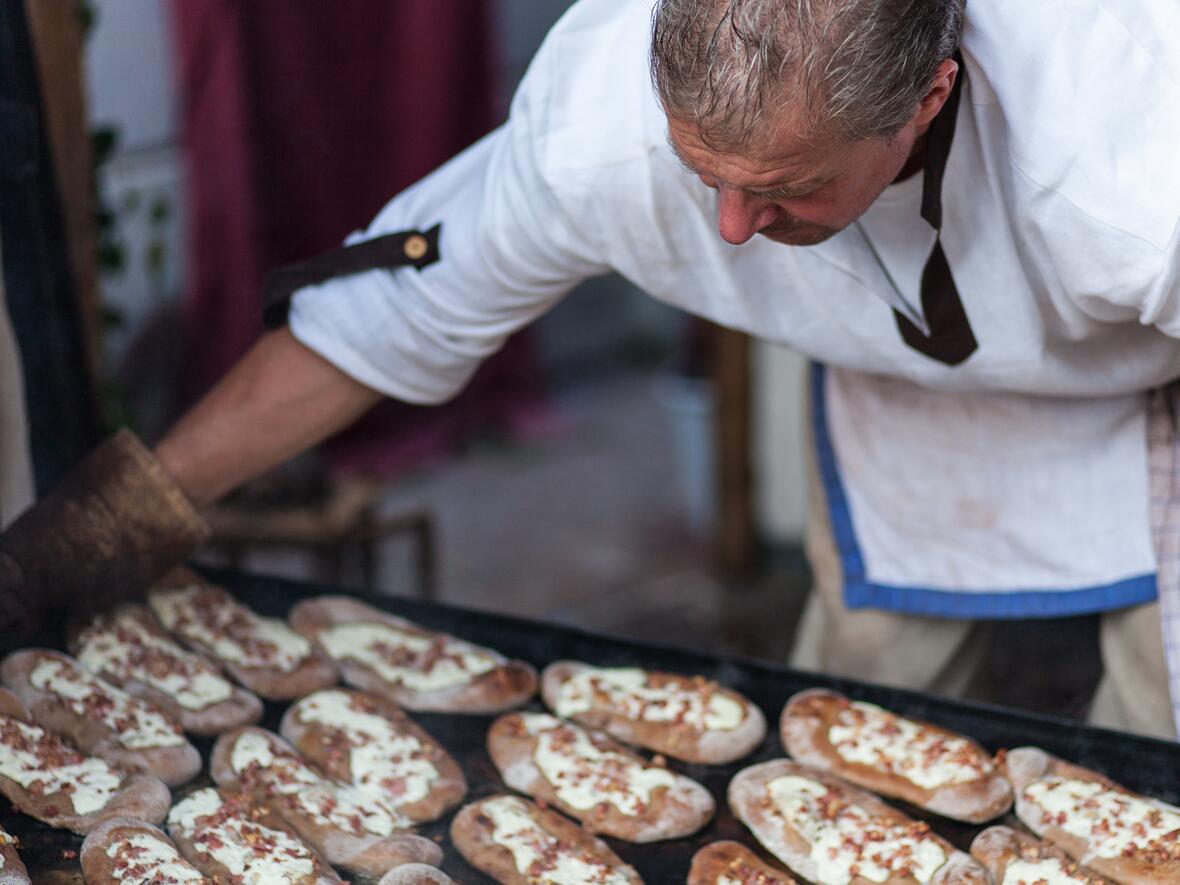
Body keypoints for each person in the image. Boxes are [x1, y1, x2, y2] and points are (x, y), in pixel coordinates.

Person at [3, 0, 1179, 737]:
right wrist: (104, 524)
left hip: (1151, 376)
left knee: (1156, 742)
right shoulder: (601, 121)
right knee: (857, 719)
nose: (727, 227)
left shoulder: (1127, 151)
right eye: (701, 172)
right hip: (908, 394)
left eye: (781, 191)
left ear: (927, 98)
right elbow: (385, 314)